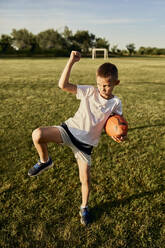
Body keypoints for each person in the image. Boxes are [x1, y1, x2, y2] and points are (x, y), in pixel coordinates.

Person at [28, 51, 125, 226]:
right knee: (38, 134)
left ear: (116, 83)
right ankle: (45, 161)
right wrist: (71, 61)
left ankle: (84, 207)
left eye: (107, 85)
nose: (102, 88)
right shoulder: (89, 92)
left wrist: (119, 135)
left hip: (85, 146)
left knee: (85, 180)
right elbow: (62, 84)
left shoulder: (116, 103)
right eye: (99, 84)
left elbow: (115, 125)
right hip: (69, 131)